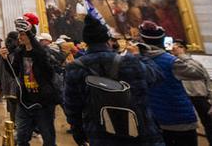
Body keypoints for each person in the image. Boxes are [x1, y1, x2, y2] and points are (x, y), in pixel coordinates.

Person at [63, 14, 163, 146]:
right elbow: (156, 76)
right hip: (140, 131)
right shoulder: (129, 61)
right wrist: (139, 55)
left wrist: (78, 131)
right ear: (108, 40)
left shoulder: (74, 68)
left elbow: (72, 106)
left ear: (86, 42)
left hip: (100, 133)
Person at [139, 21, 207, 146]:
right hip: (179, 118)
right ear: (162, 40)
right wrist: (182, 55)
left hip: (155, 119)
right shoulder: (171, 61)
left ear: (142, 40)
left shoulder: (138, 61)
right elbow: (199, 72)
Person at [0, 15, 61, 146]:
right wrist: (5, 60)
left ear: (30, 35)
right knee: (21, 138)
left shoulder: (41, 52)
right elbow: (14, 72)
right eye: (19, 34)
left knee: (48, 138)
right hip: (25, 101)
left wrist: (28, 30)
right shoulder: (19, 52)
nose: (19, 37)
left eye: (22, 34)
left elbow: (39, 54)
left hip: (43, 102)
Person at [173, 39, 212, 144]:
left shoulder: (193, 62)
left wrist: (210, 96)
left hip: (200, 97)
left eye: (179, 46)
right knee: (189, 127)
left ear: (184, 49)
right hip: (185, 98)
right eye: (174, 45)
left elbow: (206, 78)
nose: (176, 48)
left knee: (209, 124)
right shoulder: (173, 63)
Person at [0, 31, 19, 123]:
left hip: (6, 81)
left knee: (11, 104)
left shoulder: (4, 51)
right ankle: (16, 123)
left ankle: (13, 122)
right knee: (17, 104)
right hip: (15, 81)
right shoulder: (16, 52)